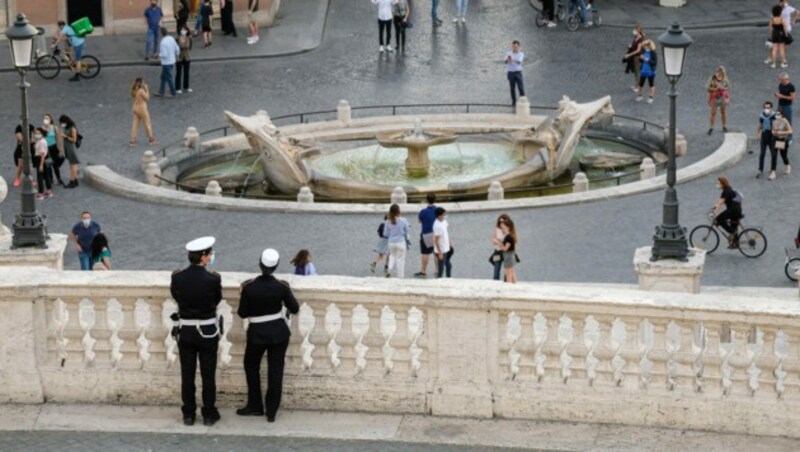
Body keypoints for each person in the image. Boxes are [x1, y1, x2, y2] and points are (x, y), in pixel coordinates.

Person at [236, 248, 300, 423]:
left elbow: (242, 313)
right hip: (279, 332)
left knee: (251, 366)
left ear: (260, 263)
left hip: (257, 333)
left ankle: (255, 405)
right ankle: (271, 411)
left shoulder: (249, 287)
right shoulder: (282, 286)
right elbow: (295, 308)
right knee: (276, 370)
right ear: (276, 266)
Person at [170, 236, 222, 426]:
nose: (211, 256)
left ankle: (189, 414)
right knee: (208, 374)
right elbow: (216, 300)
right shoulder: (213, 279)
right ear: (203, 257)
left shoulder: (177, 277)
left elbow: (176, 297)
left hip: (186, 331)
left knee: (187, 374)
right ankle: (208, 413)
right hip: (207, 331)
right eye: (210, 254)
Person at [711, 176, 743, 247]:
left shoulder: (725, 191)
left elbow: (720, 203)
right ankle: (735, 243)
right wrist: (715, 206)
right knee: (733, 226)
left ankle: (732, 232)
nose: (717, 184)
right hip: (737, 209)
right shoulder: (729, 188)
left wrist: (715, 213)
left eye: (718, 183)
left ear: (722, 183)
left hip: (733, 210)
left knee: (719, 219)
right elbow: (720, 202)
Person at [383, 203, 411, 278]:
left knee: (392, 256)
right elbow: (407, 230)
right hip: (401, 242)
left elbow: (385, 234)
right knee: (400, 260)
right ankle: (400, 277)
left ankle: (389, 269)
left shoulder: (387, 221)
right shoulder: (403, 220)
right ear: (398, 211)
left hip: (391, 242)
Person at [414, 193, 437, 278]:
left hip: (426, 234)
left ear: (427, 200)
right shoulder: (438, 211)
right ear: (435, 200)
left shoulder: (423, 212)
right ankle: (438, 270)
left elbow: (420, 221)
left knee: (425, 253)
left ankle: (423, 271)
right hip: (436, 234)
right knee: (436, 252)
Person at [130, 78, 157, 146]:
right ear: (141, 83)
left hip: (135, 108)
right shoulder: (141, 90)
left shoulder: (134, 89)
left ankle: (133, 140)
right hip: (142, 108)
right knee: (147, 123)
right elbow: (147, 98)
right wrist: (147, 89)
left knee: (135, 124)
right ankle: (151, 139)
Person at [156, 27, 180, 98]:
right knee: (163, 77)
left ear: (161, 33)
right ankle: (161, 91)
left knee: (169, 78)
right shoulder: (171, 39)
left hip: (166, 63)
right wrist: (177, 56)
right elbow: (177, 48)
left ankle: (173, 92)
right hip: (172, 61)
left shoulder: (163, 43)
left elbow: (164, 54)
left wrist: (158, 55)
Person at [43, 113, 65, 188]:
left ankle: (59, 179)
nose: (45, 120)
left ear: (50, 120)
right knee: (48, 164)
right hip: (46, 149)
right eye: (45, 118)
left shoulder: (54, 128)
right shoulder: (42, 129)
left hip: (54, 147)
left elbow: (58, 139)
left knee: (55, 164)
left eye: (47, 118)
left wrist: (60, 149)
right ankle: (50, 179)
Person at [707, 66, 730, 135]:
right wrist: (714, 89)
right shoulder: (712, 79)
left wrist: (726, 97)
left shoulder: (725, 79)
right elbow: (708, 88)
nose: (719, 75)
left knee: (723, 112)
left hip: (722, 97)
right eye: (718, 73)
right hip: (714, 97)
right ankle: (711, 127)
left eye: (721, 73)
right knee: (713, 113)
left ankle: (724, 126)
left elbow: (727, 87)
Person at [58, 115, 80, 188]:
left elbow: (74, 139)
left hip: (71, 148)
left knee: (72, 165)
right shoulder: (67, 127)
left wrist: (65, 136)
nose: (61, 124)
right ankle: (75, 180)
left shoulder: (72, 128)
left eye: (62, 123)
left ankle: (72, 180)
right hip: (67, 147)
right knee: (72, 165)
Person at [757, 101, 777, 179]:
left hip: (772, 136)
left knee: (773, 153)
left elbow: (778, 124)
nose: (766, 109)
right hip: (764, 134)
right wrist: (758, 133)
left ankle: (773, 170)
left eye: (768, 108)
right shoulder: (762, 115)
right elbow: (760, 124)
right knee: (762, 153)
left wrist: (775, 131)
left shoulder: (774, 115)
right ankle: (760, 170)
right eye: (765, 107)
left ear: (771, 108)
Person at [771, 109, 793, 179]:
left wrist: (781, 133)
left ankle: (787, 165)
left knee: (783, 155)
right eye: (776, 114)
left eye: (778, 114)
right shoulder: (774, 121)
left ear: (782, 115)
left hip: (782, 140)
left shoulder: (784, 121)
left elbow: (790, 131)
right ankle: (773, 172)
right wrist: (773, 132)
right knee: (774, 155)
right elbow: (773, 129)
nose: (777, 116)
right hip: (775, 139)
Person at [32, 128, 53, 200]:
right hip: (42, 160)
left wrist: (41, 165)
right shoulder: (40, 141)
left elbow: (42, 155)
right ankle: (49, 191)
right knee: (46, 175)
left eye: (38, 133)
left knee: (40, 177)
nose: (36, 135)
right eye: (36, 133)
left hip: (41, 160)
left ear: (42, 134)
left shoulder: (42, 142)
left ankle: (40, 193)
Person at [624, 25, 645, 93]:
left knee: (637, 71)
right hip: (634, 56)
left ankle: (639, 87)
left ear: (638, 31)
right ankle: (636, 84)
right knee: (635, 71)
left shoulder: (640, 39)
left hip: (637, 57)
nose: (634, 31)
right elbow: (634, 44)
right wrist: (630, 45)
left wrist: (630, 54)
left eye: (635, 30)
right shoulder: (636, 37)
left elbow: (638, 50)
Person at [490, 214, 511, 281]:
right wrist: (498, 242)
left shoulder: (509, 230)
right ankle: (496, 285)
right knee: (496, 271)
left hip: (506, 252)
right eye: (500, 222)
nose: (501, 223)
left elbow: (510, 241)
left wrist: (499, 242)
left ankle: (506, 286)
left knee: (506, 272)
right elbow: (493, 240)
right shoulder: (497, 229)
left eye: (503, 221)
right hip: (497, 252)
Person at [432, 207, 452, 278]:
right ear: (439, 216)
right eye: (444, 214)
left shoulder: (443, 222)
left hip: (446, 248)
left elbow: (446, 233)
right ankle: (440, 280)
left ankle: (448, 278)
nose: (445, 216)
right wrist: (440, 252)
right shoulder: (437, 226)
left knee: (448, 265)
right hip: (441, 250)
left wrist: (450, 244)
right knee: (441, 268)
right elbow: (436, 240)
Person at [776, 73, 796, 141]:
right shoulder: (780, 85)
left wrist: (782, 96)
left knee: (788, 121)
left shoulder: (791, 86)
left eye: (781, 80)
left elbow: (792, 98)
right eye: (780, 80)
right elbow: (780, 92)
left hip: (787, 106)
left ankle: (789, 138)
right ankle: (781, 136)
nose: (780, 81)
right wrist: (778, 95)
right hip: (780, 105)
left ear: (786, 79)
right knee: (779, 120)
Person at [636, 40, 657, 104]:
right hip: (643, 70)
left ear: (649, 46)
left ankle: (651, 97)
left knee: (651, 84)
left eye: (646, 46)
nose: (645, 47)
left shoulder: (653, 53)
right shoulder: (643, 51)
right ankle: (639, 96)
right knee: (640, 84)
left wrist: (648, 60)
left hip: (650, 71)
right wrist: (641, 58)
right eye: (644, 46)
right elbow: (640, 61)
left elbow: (654, 62)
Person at [505, 41, 525, 106]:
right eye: (513, 46)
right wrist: (508, 60)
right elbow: (505, 61)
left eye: (515, 47)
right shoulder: (509, 53)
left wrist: (512, 60)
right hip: (510, 73)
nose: (514, 48)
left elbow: (519, 61)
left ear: (519, 47)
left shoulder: (521, 54)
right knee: (512, 88)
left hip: (518, 73)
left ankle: (523, 101)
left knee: (520, 87)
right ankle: (514, 102)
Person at [499, 216, 518, 284]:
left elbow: (505, 249)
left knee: (508, 275)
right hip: (510, 255)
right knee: (512, 273)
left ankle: (509, 288)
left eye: (503, 225)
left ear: (507, 226)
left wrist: (500, 243)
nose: (502, 226)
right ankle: (515, 286)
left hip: (508, 256)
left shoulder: (509, 237)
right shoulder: (509, 235)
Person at [176, 25, 193, 94]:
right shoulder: (177, 38)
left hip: (187, 57)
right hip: (179, 57)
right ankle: (177, 88)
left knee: (186, 73)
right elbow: (177, 47)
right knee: (178, 73)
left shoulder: (189, 38)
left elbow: (189, 46)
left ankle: (186, 87)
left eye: (184, 30)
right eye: (182, 30)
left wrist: (183, 46)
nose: (183, 31)